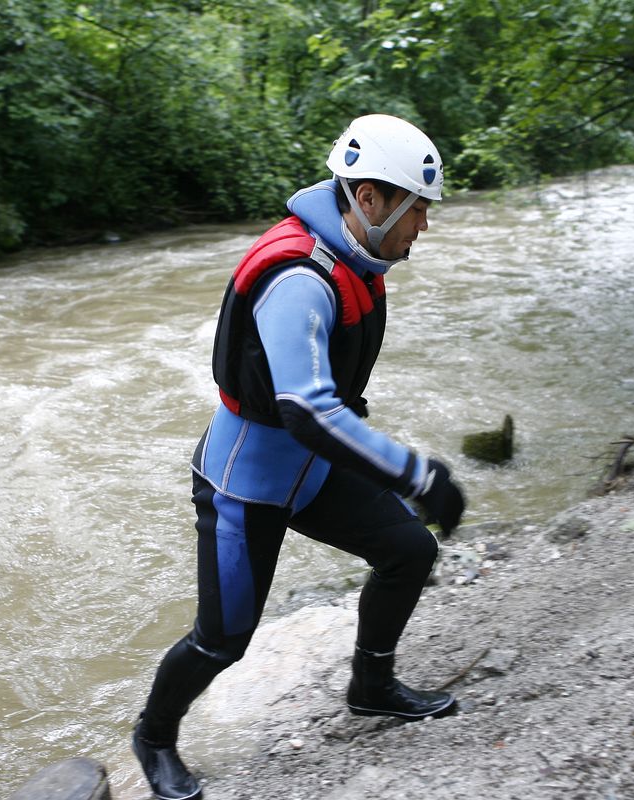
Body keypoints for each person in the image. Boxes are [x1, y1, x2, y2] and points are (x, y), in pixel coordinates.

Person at [132, 114, 467, 800]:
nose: (422, 228)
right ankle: (154, 737)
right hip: (244, 484)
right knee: (223, 640)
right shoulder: (300, 278)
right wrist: (417, 474)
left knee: (408, 550)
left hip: (309, 473)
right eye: (416, 210)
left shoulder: (352, 253)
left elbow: (322, 418)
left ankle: (371, 686)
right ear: (368, 199)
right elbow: (309, 411)